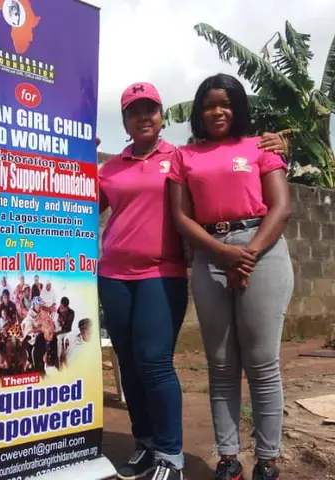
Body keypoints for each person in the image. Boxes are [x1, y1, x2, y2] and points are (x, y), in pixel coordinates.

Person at [98, 81, 287, 480]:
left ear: (162, 115)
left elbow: (271, 202)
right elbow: (81, 203)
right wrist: (74, 158)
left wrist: (243, 251)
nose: (143, 117)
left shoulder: (178, 156)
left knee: (157, 362)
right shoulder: (112, 167)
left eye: (150, 109)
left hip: (162, 271)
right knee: (131, 365)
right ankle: (147, 445)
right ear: (125, 121)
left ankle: (173, 455)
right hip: (114, 273)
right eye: (134, 111)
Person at [169, 73, 293, 480]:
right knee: (220, 365)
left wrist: (249, 254)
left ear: (238, 108)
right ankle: (227, 458)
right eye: (208, 105)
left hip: (263, 249)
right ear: (198, 112)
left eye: (225, 104)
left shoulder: (260, 146)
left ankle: (268, 460)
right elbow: (181, 216)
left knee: (262, 363)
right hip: (210, 254)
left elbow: (281, 206)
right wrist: (223, 253)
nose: (216, 111)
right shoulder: (185, 156)